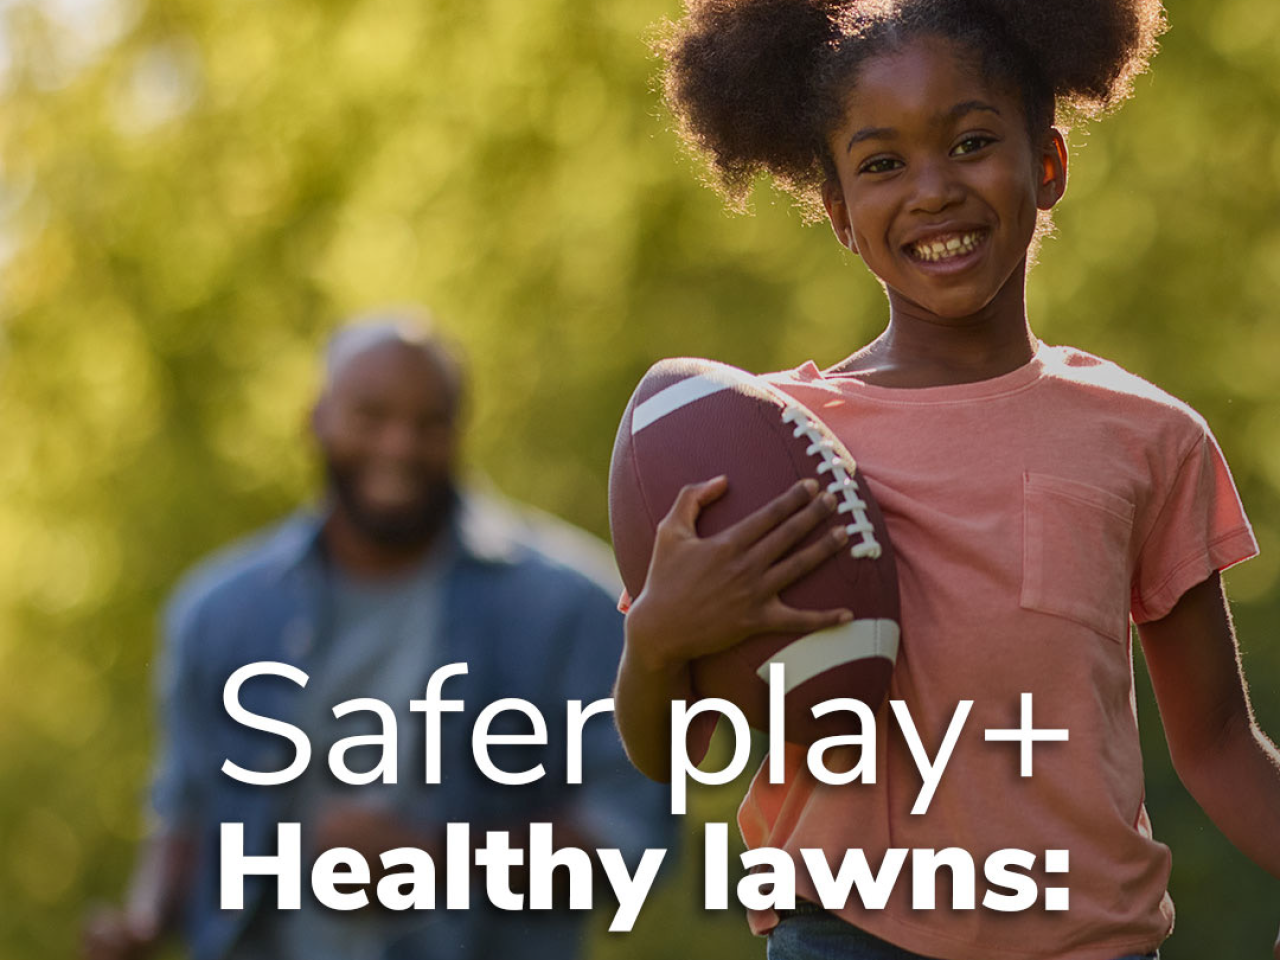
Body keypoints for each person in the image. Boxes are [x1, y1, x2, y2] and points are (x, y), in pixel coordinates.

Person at [613, 1, 1280, 959]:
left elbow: (1217, 742)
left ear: (1046, 166)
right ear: (840, 215)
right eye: (883, 164)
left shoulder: (1147, 437)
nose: (932, 190)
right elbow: (671, 752)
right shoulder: (764, 445)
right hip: (845, 935)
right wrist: (659, 641)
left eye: (971, 142)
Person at [83, 311, 673, 960]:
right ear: (317, 418)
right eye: (371, 417)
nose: (399, 447)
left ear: (460, 431)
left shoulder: (573, 606)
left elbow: (634, 838)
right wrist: (141, 922)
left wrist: (429, 859)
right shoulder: (218, 611)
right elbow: (189, 810)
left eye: (429, 425)